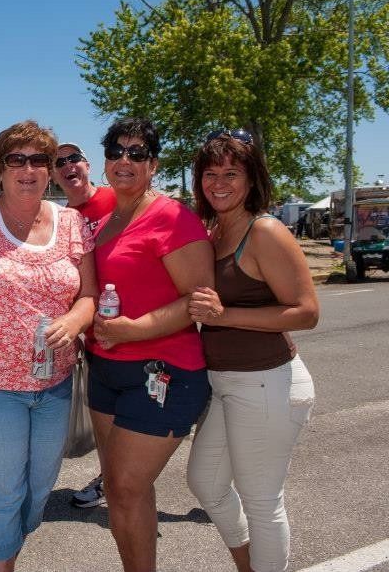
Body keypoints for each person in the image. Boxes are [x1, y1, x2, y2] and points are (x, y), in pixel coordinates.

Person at [0, 120, 98, 572]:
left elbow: (89, 296)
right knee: (1, 497)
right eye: (17, 159)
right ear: (1, 168)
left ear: (51, 170)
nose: (29, 168)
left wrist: (74, 320)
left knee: (36, 494)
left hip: (52, 385)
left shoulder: (72, 222)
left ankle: (9, 545)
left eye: (39, 160)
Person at [187, 129, 319, 572]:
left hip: (268, 382)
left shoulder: (264, 230)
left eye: (231, 173)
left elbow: (306, 312)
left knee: (262, 500)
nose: (219, 183)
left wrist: (222, 316)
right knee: (206, 483)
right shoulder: (215, 229)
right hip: (224, 384)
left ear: (251, 178)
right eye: (210, 173)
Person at [87, 117, 214, 572]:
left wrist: (132, 330)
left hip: (163, 372)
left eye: (137, 153)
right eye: (117, 151)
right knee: (126, 492)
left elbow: (200, 301)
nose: (125, 160)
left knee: (123, 487)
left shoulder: (173, 217)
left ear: (153, 164)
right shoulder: (103, 221)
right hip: (104, 371)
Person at [52, 140, 116, 509]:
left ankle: (122, 484)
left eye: (74, 158)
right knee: (103, 420)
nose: (68, 165)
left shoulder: (116, 200)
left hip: (134, 330)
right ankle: (110, 479)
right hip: (94, 338)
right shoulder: (64, 220)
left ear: (87, 164)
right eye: (59, 162)